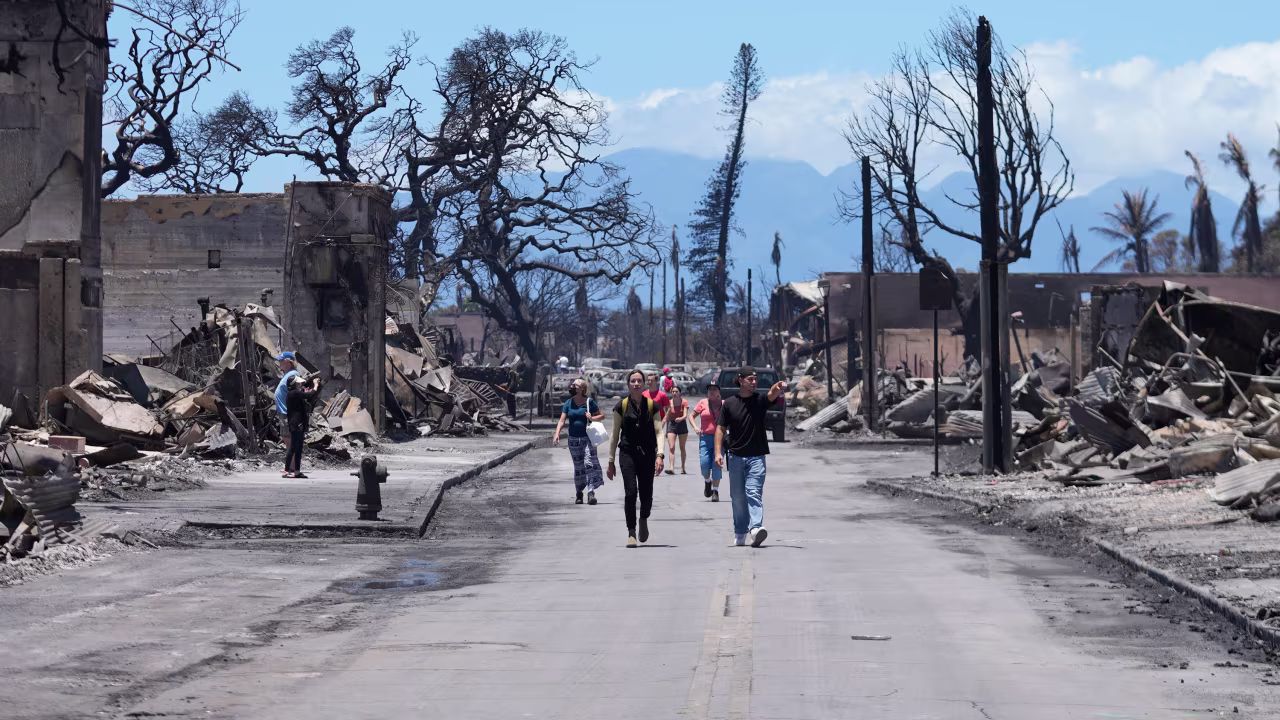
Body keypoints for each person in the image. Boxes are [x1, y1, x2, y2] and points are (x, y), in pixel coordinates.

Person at [715, 366, 787, 547]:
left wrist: (777, 388)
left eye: (756, 379)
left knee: (753, 492)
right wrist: (718, 452)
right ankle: (740, 531)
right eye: (750, 379)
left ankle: (756, 528)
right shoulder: (729, 404)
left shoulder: (760, 400)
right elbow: (720, 429)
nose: (754, 382)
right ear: (740, 380)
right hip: (735, 456)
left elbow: (771, 395)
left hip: (756, 457)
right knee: (738, 497)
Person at [607, 369, 666, 548]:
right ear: (628, 384)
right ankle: (631, 531)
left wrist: (660, 455)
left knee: (646, 494)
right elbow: (615, 434)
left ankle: (643, 518)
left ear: (644, 384)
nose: (636, 384)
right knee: (631, 492)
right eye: (633, 381)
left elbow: (659, 432)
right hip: (627, 454)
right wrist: (610, 461)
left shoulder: (652, 406)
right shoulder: (621, 406)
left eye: (639, 381)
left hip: (647, 455)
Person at [552, 378, 605, 505]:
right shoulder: (568, 403)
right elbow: (562, 420)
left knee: (589, 463)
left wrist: (592, 417)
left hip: (588, 439)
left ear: (582, 389)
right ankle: (579, 493)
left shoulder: (589, 402)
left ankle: (591, 492)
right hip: (573, 440)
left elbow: (602, 416)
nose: (572, 387)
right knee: (578, 467)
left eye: (575, 385)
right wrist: (557, 434)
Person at [284, 374, 321, 478]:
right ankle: (287, 471)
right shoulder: (294, 393)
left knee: (299, 448)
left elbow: (304, 399)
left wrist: (304, 393)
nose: (300, 384)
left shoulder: (295, 393)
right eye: (298, 383)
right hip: (296, 424)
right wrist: (316, 385)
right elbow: (311, 394)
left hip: (299, 423)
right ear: (294, 384)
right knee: (293, 447)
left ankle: (297, 471)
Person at [692, 384, 724, 501]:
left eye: (715, 389)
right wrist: (695, 427)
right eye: (710, 389)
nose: (712, 391)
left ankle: (715, 491)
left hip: (720, 439)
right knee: (704, 464)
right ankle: (707, 481)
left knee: (716, 465)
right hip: (705, 438)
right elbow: (691, 416)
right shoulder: (702, 403)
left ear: (719, 391)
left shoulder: (724, 404)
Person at [274, 351, 299, 476]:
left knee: (289, 440)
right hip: (284, 411)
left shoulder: (293, 375)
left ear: (289, 362)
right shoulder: (288, 374)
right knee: (287, 439)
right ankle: (291, 467)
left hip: (287, 412)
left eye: (282, 360)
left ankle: (292, 469)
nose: (280, 362)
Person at [664, 385, 690, 475]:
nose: (674, 393)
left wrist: (681, 418)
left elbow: (685, 415)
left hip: (682, 424)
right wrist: (666, 430)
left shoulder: (684, 402)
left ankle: (683, 467)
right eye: (673, 392)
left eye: (676, 392)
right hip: (672, 425)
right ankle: (671, 467)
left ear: (680, 393)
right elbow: (667, 418)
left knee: (682, 447)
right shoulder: (669, 403)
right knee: (671, 447)